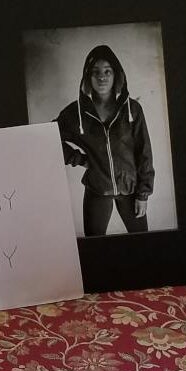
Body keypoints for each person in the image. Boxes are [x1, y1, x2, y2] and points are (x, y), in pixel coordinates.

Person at [56, 45, 154, 237]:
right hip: (97, 191)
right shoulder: (75, 114)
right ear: (88, 77)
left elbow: (145, 153)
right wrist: (79, 159)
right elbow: (47, 138)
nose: (102, 77)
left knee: (144, 244)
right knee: (95, 246)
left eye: (108, 71)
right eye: (96, 72)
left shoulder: (132, 109)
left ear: (116, 75)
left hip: (131, 191)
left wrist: (143, 194)